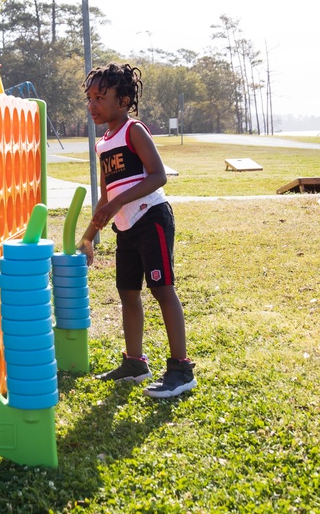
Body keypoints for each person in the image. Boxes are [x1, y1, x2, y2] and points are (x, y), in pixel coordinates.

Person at [76, 62, 196, 399]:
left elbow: (158, 175)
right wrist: (87, 238)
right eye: (89, 98)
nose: (92, 105)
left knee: (162, 289)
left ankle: (181, 369)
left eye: (100, 97)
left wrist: (116, 205)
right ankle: (134, 363)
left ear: (124, 100)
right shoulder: (104, 143)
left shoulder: (134, 131)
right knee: (128, 292)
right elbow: (106, 196)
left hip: (151, 219)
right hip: (125, 227)